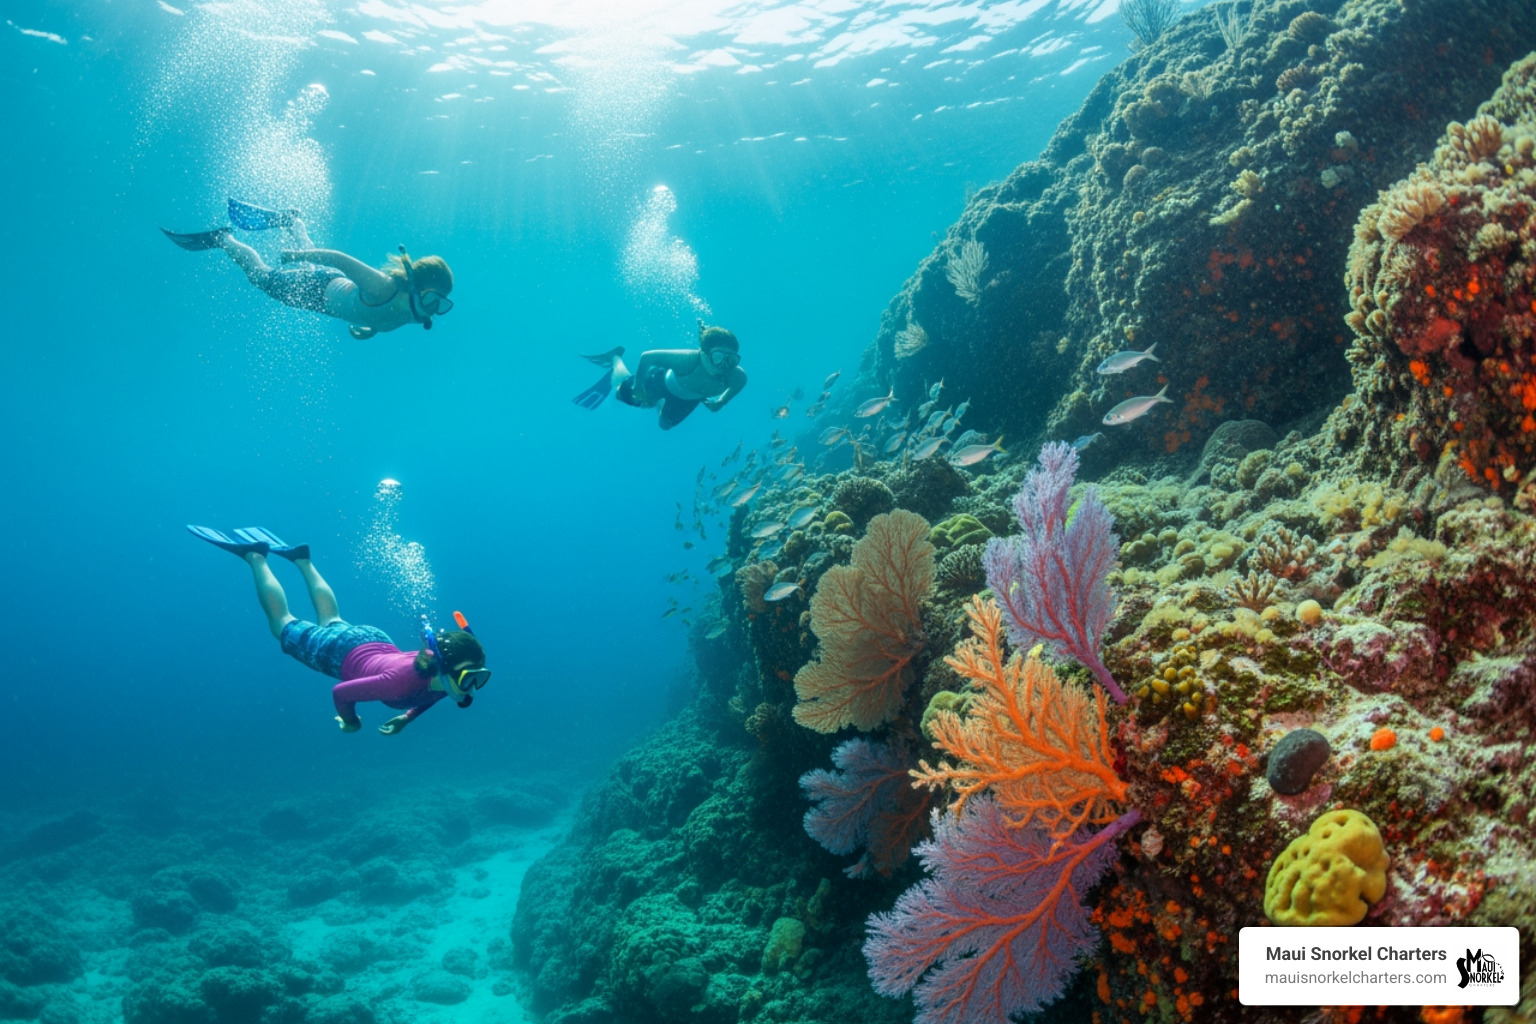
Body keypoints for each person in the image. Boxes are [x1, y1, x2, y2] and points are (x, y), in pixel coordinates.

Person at [186, 525, 489, 735]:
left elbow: (433, 696)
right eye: (469, 678)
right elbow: (341, 692)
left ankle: (302, 561)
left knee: (331, 616)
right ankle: (255, 557)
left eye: (479, 677)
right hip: (338, 652)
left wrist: (406, 719)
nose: (472, 688)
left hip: (372, 640)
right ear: (442, 667)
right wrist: (352, 722)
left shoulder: (443, 679)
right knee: (281, 624)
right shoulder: (398, 684)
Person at [163, 198, 454, 339]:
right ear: (415, 286)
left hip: (329, 288)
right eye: (431, 300)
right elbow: (338, 259)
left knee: (310, 265)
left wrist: (370, 330)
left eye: (440, 307)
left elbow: (384, 319)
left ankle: (293, 222)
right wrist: (294, 256)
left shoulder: (412, 316)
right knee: (260, 278)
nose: (432, 311)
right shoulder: (383, 287)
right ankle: (223, 238)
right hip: (320, 289)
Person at [573, 322, 748, 430]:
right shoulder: (687, 360)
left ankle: (658, 404)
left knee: (665, 426)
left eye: (731, 360)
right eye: (718, 358)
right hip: (661, 382)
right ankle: (615, 357)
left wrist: (720, 403)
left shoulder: (736, 377)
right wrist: (639, 385)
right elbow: (648, 357)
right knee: (620, 392)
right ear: (703, 353)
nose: (724, 366)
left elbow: (734, 389)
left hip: (689, 399)